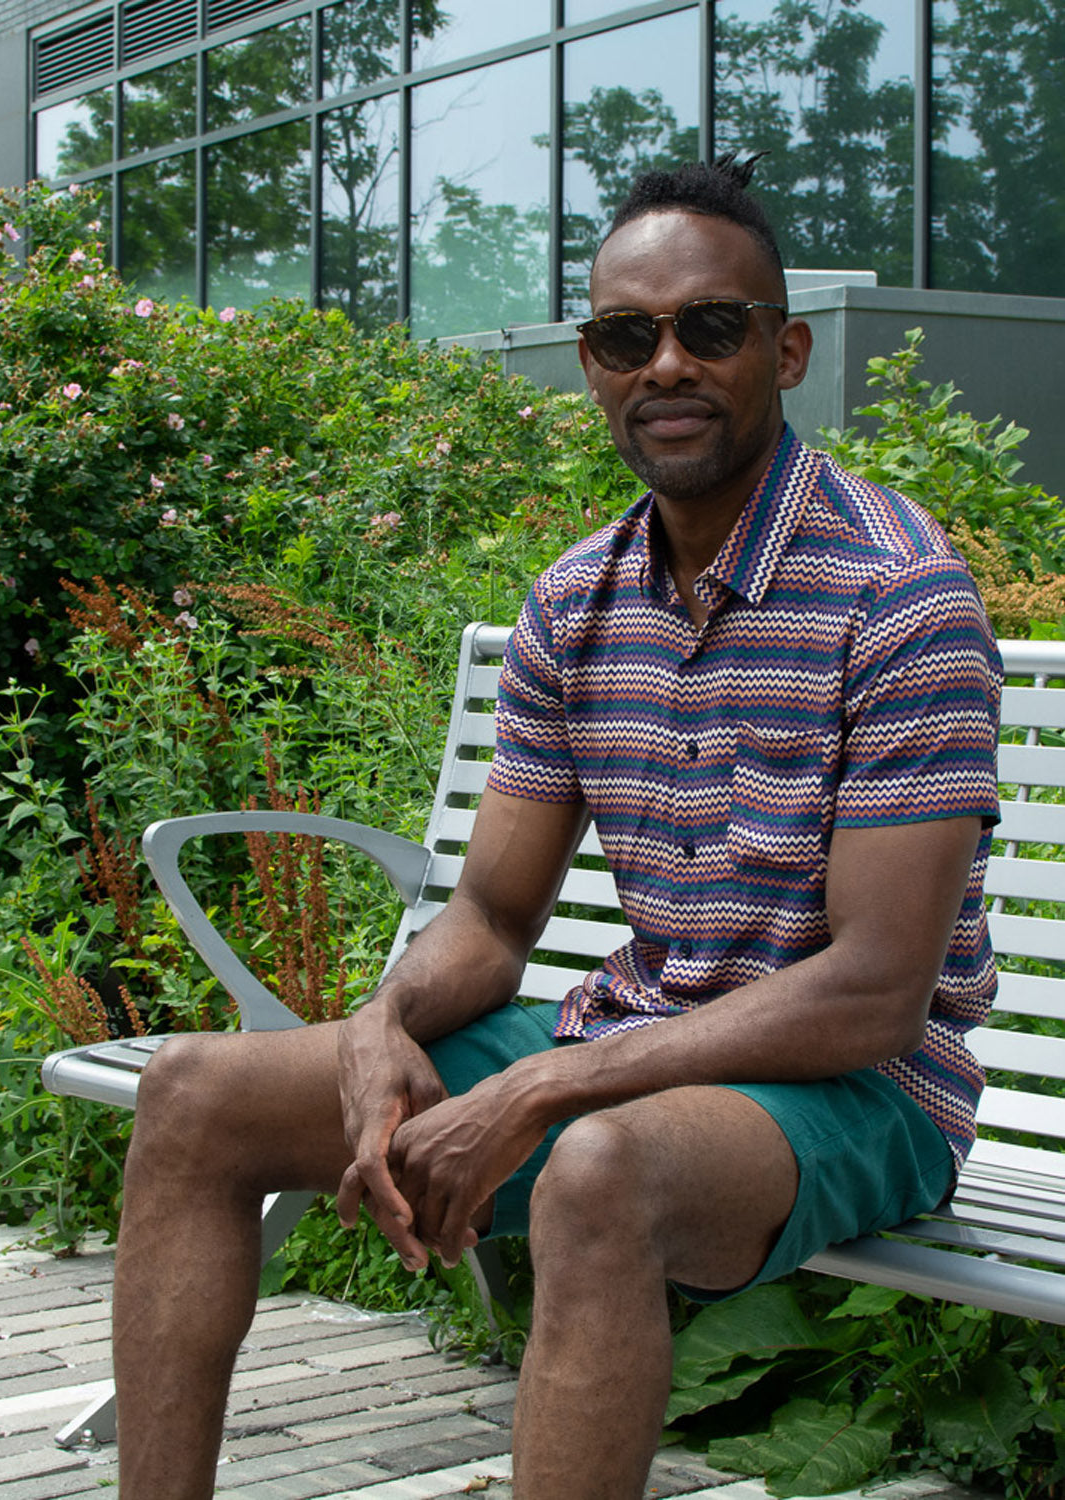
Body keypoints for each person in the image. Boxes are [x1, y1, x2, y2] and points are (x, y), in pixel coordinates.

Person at [112, 156, 1001, 1500]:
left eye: (708, 328)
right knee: (193, 1096)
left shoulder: (897, 597)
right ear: (587, 363)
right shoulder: (574, 601)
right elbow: (489, 919)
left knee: (591, 1167)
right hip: (639, 1047)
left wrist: (540, 1085)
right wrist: (375, 1031)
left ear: (785, 347)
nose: (665, 367)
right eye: (621, 337)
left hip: (863, 1094)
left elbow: (876, 994)